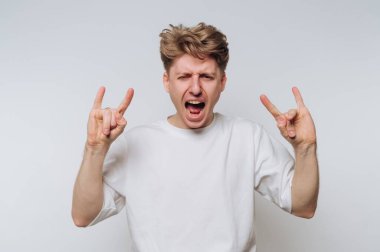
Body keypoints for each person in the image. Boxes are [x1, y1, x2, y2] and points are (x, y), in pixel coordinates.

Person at [72, 22, 319, 252]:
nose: (196, 88)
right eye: (184, 77)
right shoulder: (136, 143)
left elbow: (303, 206)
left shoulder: (247, 137)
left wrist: (306, 148)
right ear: (167, 82)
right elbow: (83, 215)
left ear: (222, 82)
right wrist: (94, 148)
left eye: (207, 77)